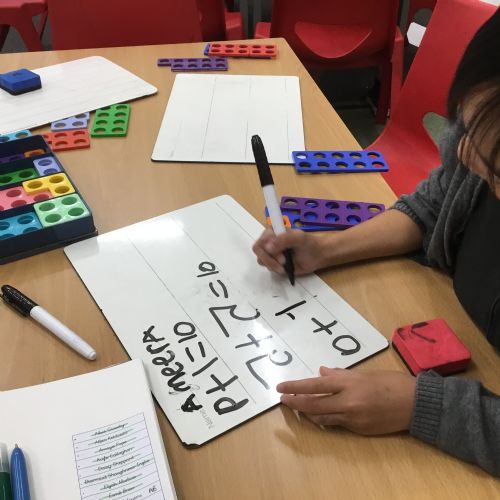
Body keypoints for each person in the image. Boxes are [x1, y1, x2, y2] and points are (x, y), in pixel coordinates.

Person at [252, 9, 500, 477]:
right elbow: (431, 208)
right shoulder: (480, 140)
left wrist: (422, 406)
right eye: (466, 128)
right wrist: (326, 249)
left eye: (496, 166)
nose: (466, 157)